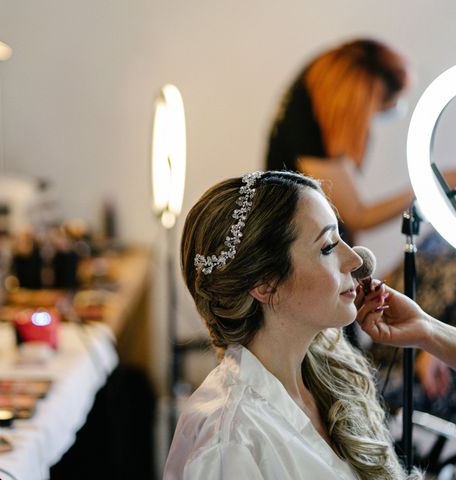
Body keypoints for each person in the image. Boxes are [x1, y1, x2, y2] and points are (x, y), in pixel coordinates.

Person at [163, 170, 442, 479]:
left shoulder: (330, 375)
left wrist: (428, 332)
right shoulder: (230, 442)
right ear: (266, 285)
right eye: (327, 247)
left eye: (341, 239)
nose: (356, 260)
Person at [265, 37, 456, 246]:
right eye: (376, 108)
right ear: (361, 95)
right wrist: (432, 185)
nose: (368, 122)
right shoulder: (306, 129)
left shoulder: (312, 91)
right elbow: (357, 216)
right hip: (298, 249)